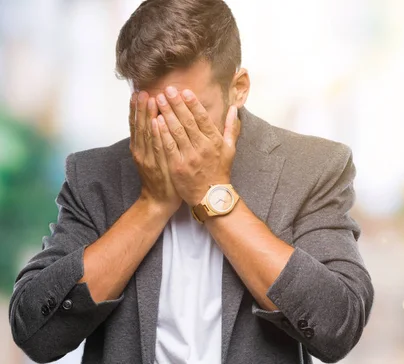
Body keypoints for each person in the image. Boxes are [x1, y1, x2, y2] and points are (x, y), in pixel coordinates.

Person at [8, 1, 374, 363]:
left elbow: (336, 328)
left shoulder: (312, 168)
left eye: (189, 112)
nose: (169, 131)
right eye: (153, 111)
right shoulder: (93, 175)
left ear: (239, 88)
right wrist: (151, 205)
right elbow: (36, 333)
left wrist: (211, 194)